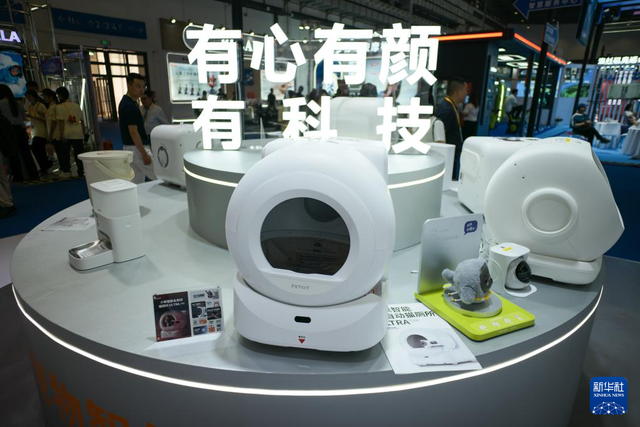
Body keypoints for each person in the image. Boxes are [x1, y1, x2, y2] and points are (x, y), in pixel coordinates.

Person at [119, 73, 156, 184]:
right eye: (138, 86)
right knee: (160, 175)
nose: (141, 90)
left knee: (136, 181)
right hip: (137, 149)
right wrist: (144, 154)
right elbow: (133, 132)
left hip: (130, 148)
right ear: (129, 86)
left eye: (143, 87)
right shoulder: (129, 105)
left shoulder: (127, 102)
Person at [0, 84, 39, 182]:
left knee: (13, 155)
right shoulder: (18, 103)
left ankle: (19, 177)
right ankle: (34, 175)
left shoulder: (1, 104)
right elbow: (23, 117)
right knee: (26, 154)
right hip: (21, 130)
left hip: (9, 132)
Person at [435, 77, 467, 180]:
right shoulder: (447, 110)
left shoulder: (450, 106)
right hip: (447, 156)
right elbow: (440, 136)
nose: (466, 93)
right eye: (465, 90)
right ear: (457, 92)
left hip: (451, 154)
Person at [56, 87, 86, 178]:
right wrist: (83, 132)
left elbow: (61, 123)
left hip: (67, 133)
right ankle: (81, 171)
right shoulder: (76, 105)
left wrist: (61, 135)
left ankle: (67, 171)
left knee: (65, 154)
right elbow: (82, 121)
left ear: (60, 96)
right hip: (78, 133)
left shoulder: (59, 107)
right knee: (79, 153)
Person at [25, 90, 52, 174]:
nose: (28, 99)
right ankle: (44, 166)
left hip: (41, 130)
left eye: (29, 97)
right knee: (38, 149)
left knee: (37, 148)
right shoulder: (30, 107)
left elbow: (46, 119)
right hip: (34, 131)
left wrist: (32, 117)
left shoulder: (41, 106)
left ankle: (45, 165)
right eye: (27, 97)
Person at [43, 89, 61, 175]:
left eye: (45, 97)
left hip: (55, 133)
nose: (44, 98)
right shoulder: (51, 107)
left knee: (59, 151)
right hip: (54, 133)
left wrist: (50, 135)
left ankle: (63, 168)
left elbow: (53, 122)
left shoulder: (53, 107)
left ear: (50, 97)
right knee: (58, 151)